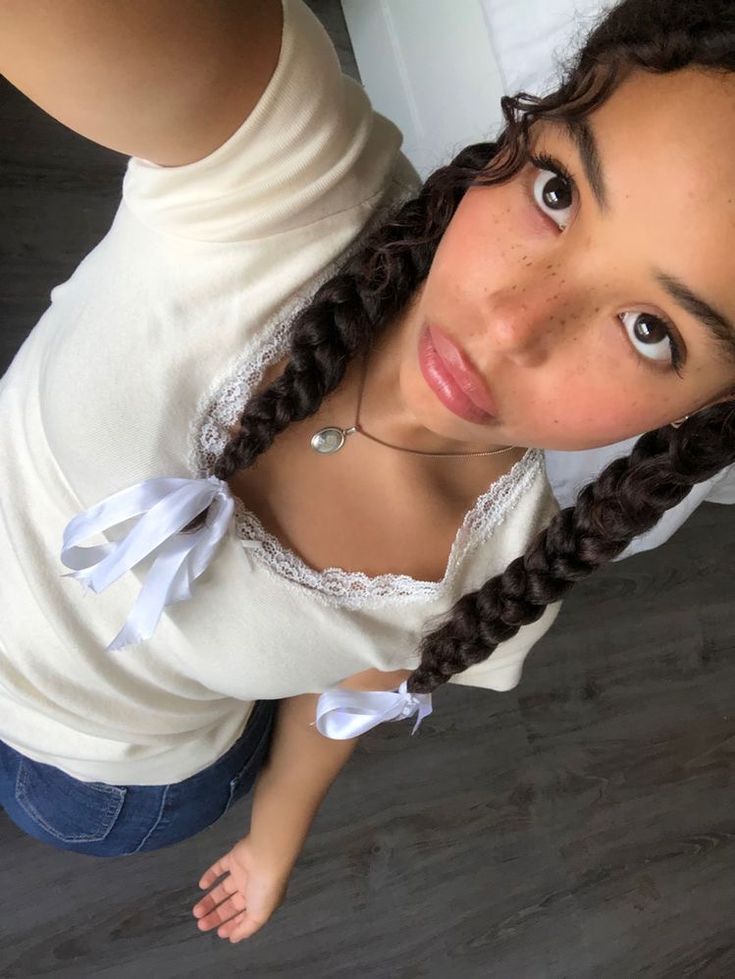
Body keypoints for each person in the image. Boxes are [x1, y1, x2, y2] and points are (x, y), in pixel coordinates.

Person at [1, 0, 734, 945]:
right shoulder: (285, 176)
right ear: (527, 129)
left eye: (649, 331)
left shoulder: (492, 581)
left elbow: (343, 697)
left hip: (109, 787)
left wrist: (274, 838)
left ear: (708, 412)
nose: (510, 323)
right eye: (556, 190)